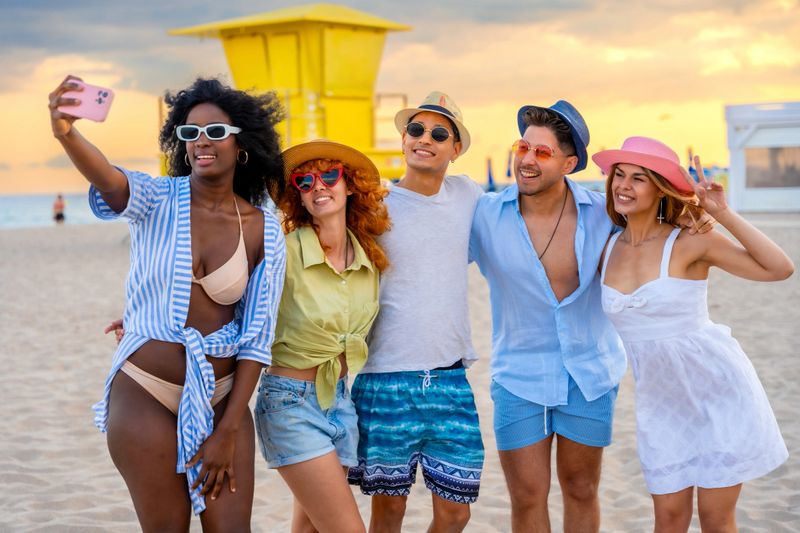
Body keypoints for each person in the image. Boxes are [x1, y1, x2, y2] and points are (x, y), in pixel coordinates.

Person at [48, 75, 286, 531]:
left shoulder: (262, 227)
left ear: (242, 145)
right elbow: (111, 180)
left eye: (215, 132)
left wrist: (229, 428)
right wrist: (66, 132)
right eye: (189, 132)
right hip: (143, 392)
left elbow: (258, 338)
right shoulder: (156, 198)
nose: (201, 142)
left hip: (222, 399)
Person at [594, 137, 791, 532]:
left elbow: (778, 268)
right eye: (619, 175)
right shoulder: (605, 244)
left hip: (719, 394)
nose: (624, 186)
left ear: (660, 188)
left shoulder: (689, 241)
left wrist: (724, 213)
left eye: (639, 178)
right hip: (660, 405)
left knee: (717, 521)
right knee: (667, 520)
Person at [469, 101, 627, 532]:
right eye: (523, 147)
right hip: (518, 375)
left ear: (569, 162)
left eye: (541, 153)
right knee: (526, 496)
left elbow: (657, 237)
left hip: (590, 374)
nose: (526, 159)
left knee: (580, 488)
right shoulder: (485, 215)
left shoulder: (604, 215)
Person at [347, 92, 485, 532]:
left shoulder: (469, 196)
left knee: (457, 512)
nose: (426, 139)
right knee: (388, 512)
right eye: (417, 130)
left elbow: (534, 209)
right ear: (404, 138)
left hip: (450, 378)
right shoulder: (373, 206)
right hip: (386, 376)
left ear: (455, 148)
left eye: (439, 134)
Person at [254, 140, 390, 532]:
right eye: (305, 180)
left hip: (341, 402)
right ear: (298, 194)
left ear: (350, 185)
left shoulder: (369, 256)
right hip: (289, 402)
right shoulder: (283, 251)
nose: (318, 186)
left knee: (310, 528)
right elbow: (231, 296)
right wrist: (150, 318)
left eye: (329, 175)